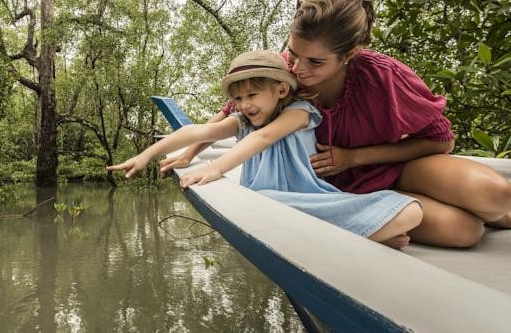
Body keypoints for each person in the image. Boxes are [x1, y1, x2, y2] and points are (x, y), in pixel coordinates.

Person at [162, 0, 511, 248]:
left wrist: (355, 157)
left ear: (350, 55)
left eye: (315, 62)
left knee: (496, 195)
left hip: (395, 166)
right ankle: (393, 206)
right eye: (294, 54)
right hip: (334, 191)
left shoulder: (383, 77)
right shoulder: (282, 73)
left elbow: (441, 141)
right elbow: (232, 113)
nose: (298, 68)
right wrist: (191, 152)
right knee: (465, 232)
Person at [108, 50, 423, 249]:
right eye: (239, 98)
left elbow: (265, 138)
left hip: (304, 199)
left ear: (281, 89)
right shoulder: (246, 120)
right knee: (259, 207)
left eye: (253, 95)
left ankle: (364, 232)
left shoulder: (300, 112)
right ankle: (368, 234)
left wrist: (214, 168)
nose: (245, 105)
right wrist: (146, 154)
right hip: (266, 203)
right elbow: (200, 130)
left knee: (410, 210)